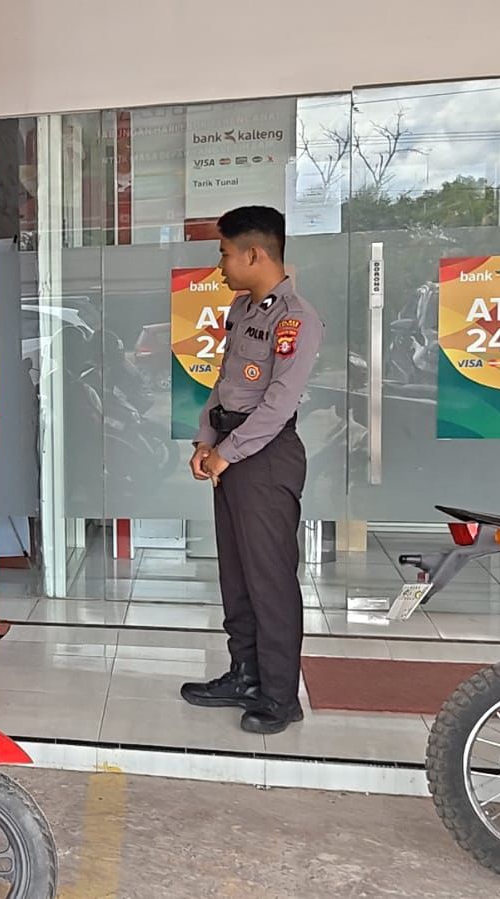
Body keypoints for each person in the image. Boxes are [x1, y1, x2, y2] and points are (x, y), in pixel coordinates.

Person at [179, 206, 323, 736]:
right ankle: (245, 675)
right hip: (232, 448)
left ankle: (280, 696)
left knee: (270, 580)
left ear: (254, 254)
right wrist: (206, 438)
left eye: (224, 254)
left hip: (264, 455)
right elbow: (226, 383)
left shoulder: (296, 319)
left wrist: (228, 451)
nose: (220, 265)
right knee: (237, 575)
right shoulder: (242, 309)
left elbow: (279, 403)